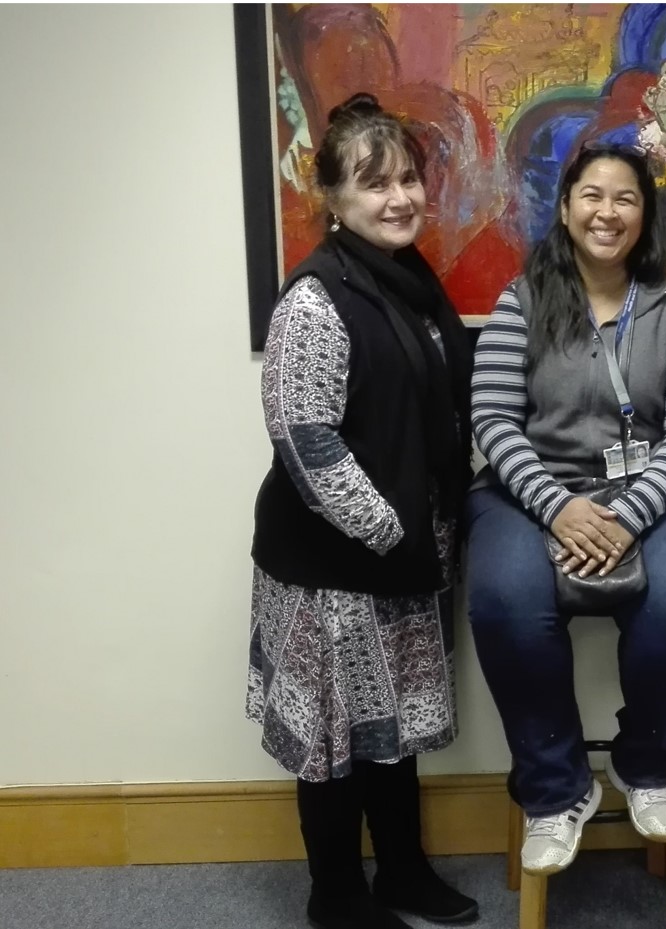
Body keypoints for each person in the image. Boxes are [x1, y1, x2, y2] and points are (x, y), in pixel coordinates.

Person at [246, 93, 478, 929]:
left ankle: (405, 873)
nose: (399, 198)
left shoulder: (410, 280)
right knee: (334, 743)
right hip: (335, 568)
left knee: (392, 730)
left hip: (408, 556)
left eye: (409, 178)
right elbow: (309, 445)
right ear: (333, 200)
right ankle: (336, 894)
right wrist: (391, 530)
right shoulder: (314, 301)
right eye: (375, 184)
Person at [466, 142, 666, 876]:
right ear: (566, 206)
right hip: (531, 491)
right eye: (592, 194)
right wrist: (557, 507)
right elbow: (492, 420)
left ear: (645, 217)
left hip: (655, 493)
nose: (607, 211)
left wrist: (626, 515)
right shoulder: (524, 299)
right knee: (505, 601)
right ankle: (555, 790)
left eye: (625, 199)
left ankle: (643, 764)